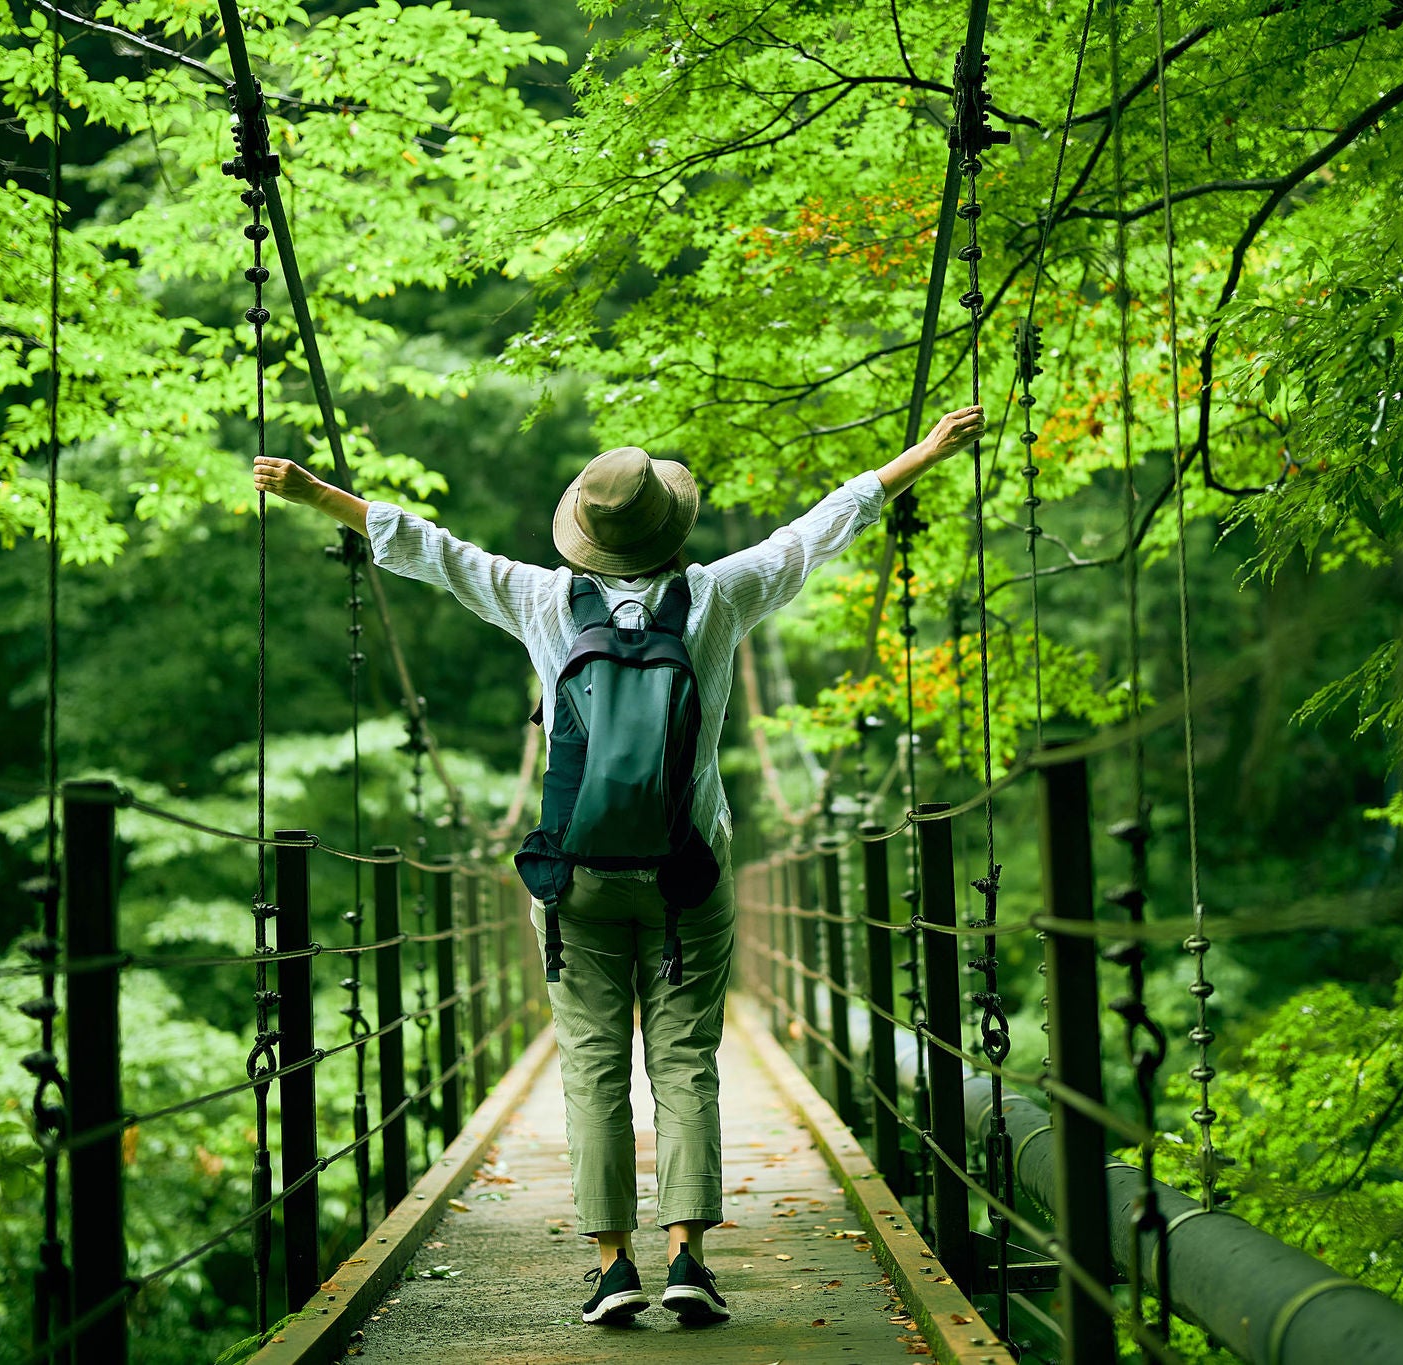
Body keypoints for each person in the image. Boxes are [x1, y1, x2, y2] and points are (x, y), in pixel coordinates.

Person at [250, 403, 986, 1327]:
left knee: (593, 1067)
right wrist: (924, 452)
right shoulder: (719, 593)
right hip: (689, 872)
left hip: (575, 879)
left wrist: (314, 492)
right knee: (685, 1063)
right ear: (669, 526)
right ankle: (688, 1258)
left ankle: (611, 1268)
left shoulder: (541, 598)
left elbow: (431, 549)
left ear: (584, 534)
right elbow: (822, 527)